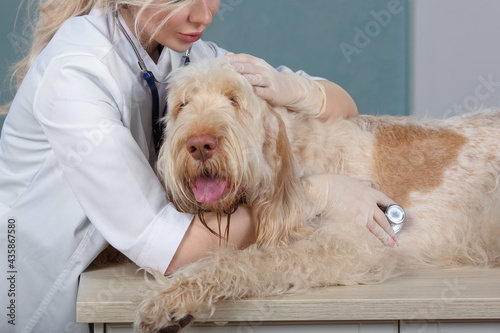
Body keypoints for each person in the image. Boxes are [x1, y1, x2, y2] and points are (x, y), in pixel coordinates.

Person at [0, 0, 397, 332]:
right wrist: (315, 194)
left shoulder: (186, 52)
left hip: (110, 272)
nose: (203, 15)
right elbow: (176, 249)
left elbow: (344, 108)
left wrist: (291, 88)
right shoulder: (77, 72)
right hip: (34, 284)